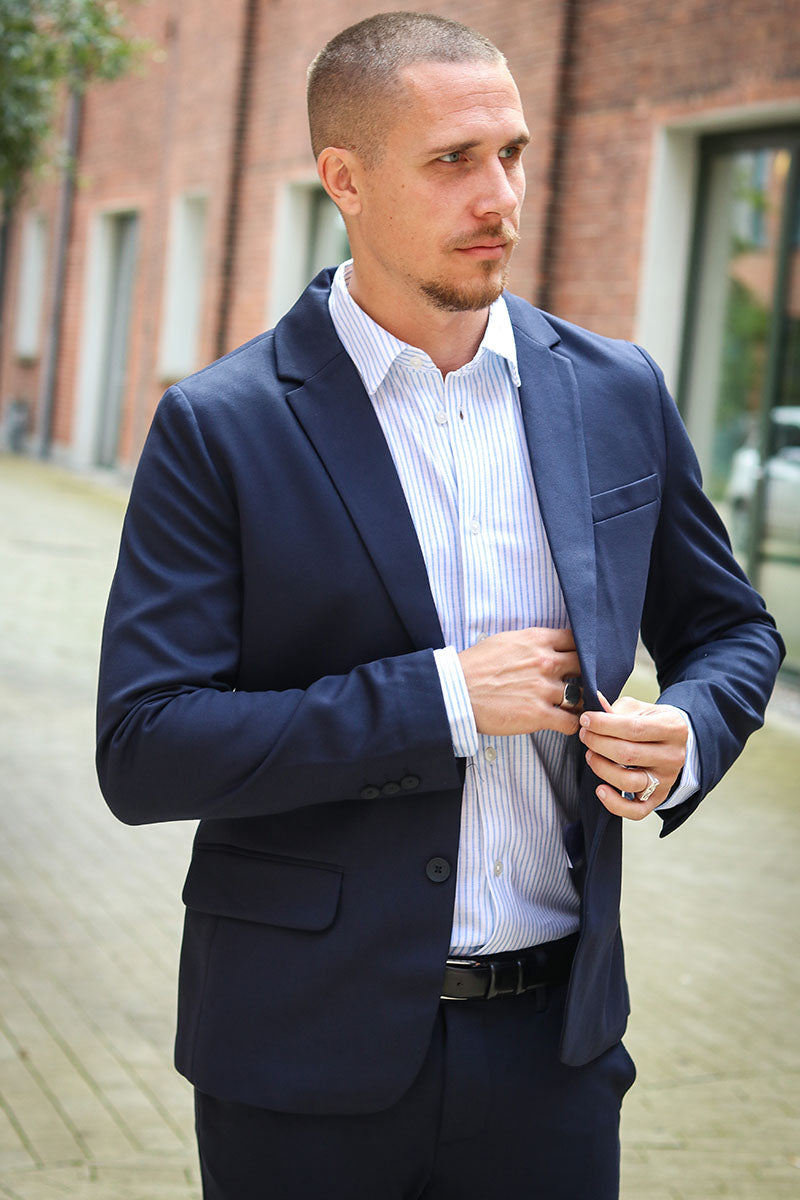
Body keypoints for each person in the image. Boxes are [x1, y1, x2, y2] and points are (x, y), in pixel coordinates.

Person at [96, 11, 783, 1199]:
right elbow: (146, 747)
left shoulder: (614, 391)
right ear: (345, 180)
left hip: (554, 1054)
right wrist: (444, 700)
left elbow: (729, 628)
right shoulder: (221, 425)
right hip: (299, 1053)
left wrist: (689, 731)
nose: (498, 197)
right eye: (453, 160)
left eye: (510, 154)